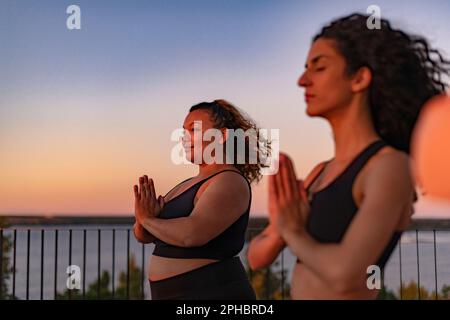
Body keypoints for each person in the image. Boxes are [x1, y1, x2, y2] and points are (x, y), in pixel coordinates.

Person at [248, 13, 450, 299]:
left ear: (359, 78)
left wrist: (294, 232)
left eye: (319, 68)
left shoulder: (389, 166)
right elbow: (257, 257)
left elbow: (347, 274)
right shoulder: (321, 171)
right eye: (305, 68)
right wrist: (283, 224)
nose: (302, 80)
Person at [133, 99, 270, 300]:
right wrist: (143, 220)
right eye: (183, 132)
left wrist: (147, 220)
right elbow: (143, 235)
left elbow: (192, 234)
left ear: (222, 135)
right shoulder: (186, 185)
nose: (184, 138)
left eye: (194, 130)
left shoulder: (230, 180)